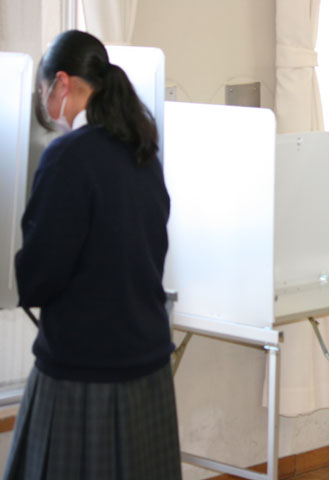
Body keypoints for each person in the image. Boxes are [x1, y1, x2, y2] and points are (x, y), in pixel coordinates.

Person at [2, 30, 181, 480]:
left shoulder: (67, 157)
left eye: (43, 92)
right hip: (147, 364)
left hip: (84, 374)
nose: (45, 104)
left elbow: (38, 276)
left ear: (62, 84)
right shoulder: (143, 152)